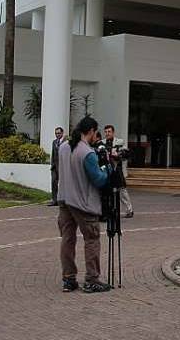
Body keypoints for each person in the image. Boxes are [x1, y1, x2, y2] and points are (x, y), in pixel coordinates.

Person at [57, 116, 112, 293]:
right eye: (96, 133)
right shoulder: (87, 152)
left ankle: (68, 278)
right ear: (91, 131)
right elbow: (99, 180)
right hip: (82, 202)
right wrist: (107, 168)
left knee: (67, 239)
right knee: (92, 239)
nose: (96, 136)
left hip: (64, 199)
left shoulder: (63, 147)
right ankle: (91, 279)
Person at [103, 124, 133, 218]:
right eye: (106, 132)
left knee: (122, 190)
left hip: (117, 169)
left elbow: (125, 153)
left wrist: (118, 154)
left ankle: (129, 210)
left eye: (109, 131)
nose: (107, 133)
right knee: (107, 191)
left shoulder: (119, 141)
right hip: (106, 169)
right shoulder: (101, 143)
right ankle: (107, 211)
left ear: (113, 132)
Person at [49, 127, 65, 206]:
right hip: (55, 166)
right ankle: (54, 200)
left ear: (62, 133)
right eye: (56, 133)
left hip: (62, 166)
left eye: (58, 133)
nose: (57, 135)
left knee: (63, 184)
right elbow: (53, 154)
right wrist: (52, 164)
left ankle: (63, 200)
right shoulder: (54, 142)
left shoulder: (66, 142)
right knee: (53, 182)